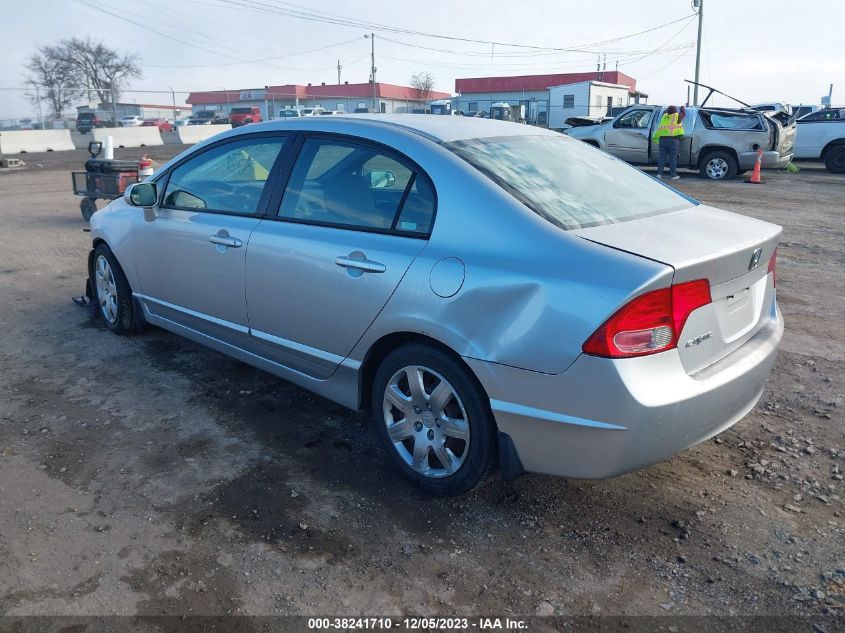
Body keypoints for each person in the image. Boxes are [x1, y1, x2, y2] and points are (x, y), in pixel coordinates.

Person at [653, 105, 686, 180]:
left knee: (661, 157)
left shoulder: (664, 117)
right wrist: (682, 108)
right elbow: (683, 113)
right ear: (675, 111)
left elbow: (665, 112)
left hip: (662, 140)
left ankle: (659, 174)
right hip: (673, 141)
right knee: (673, 159)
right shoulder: (678, 117)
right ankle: (673, 175)